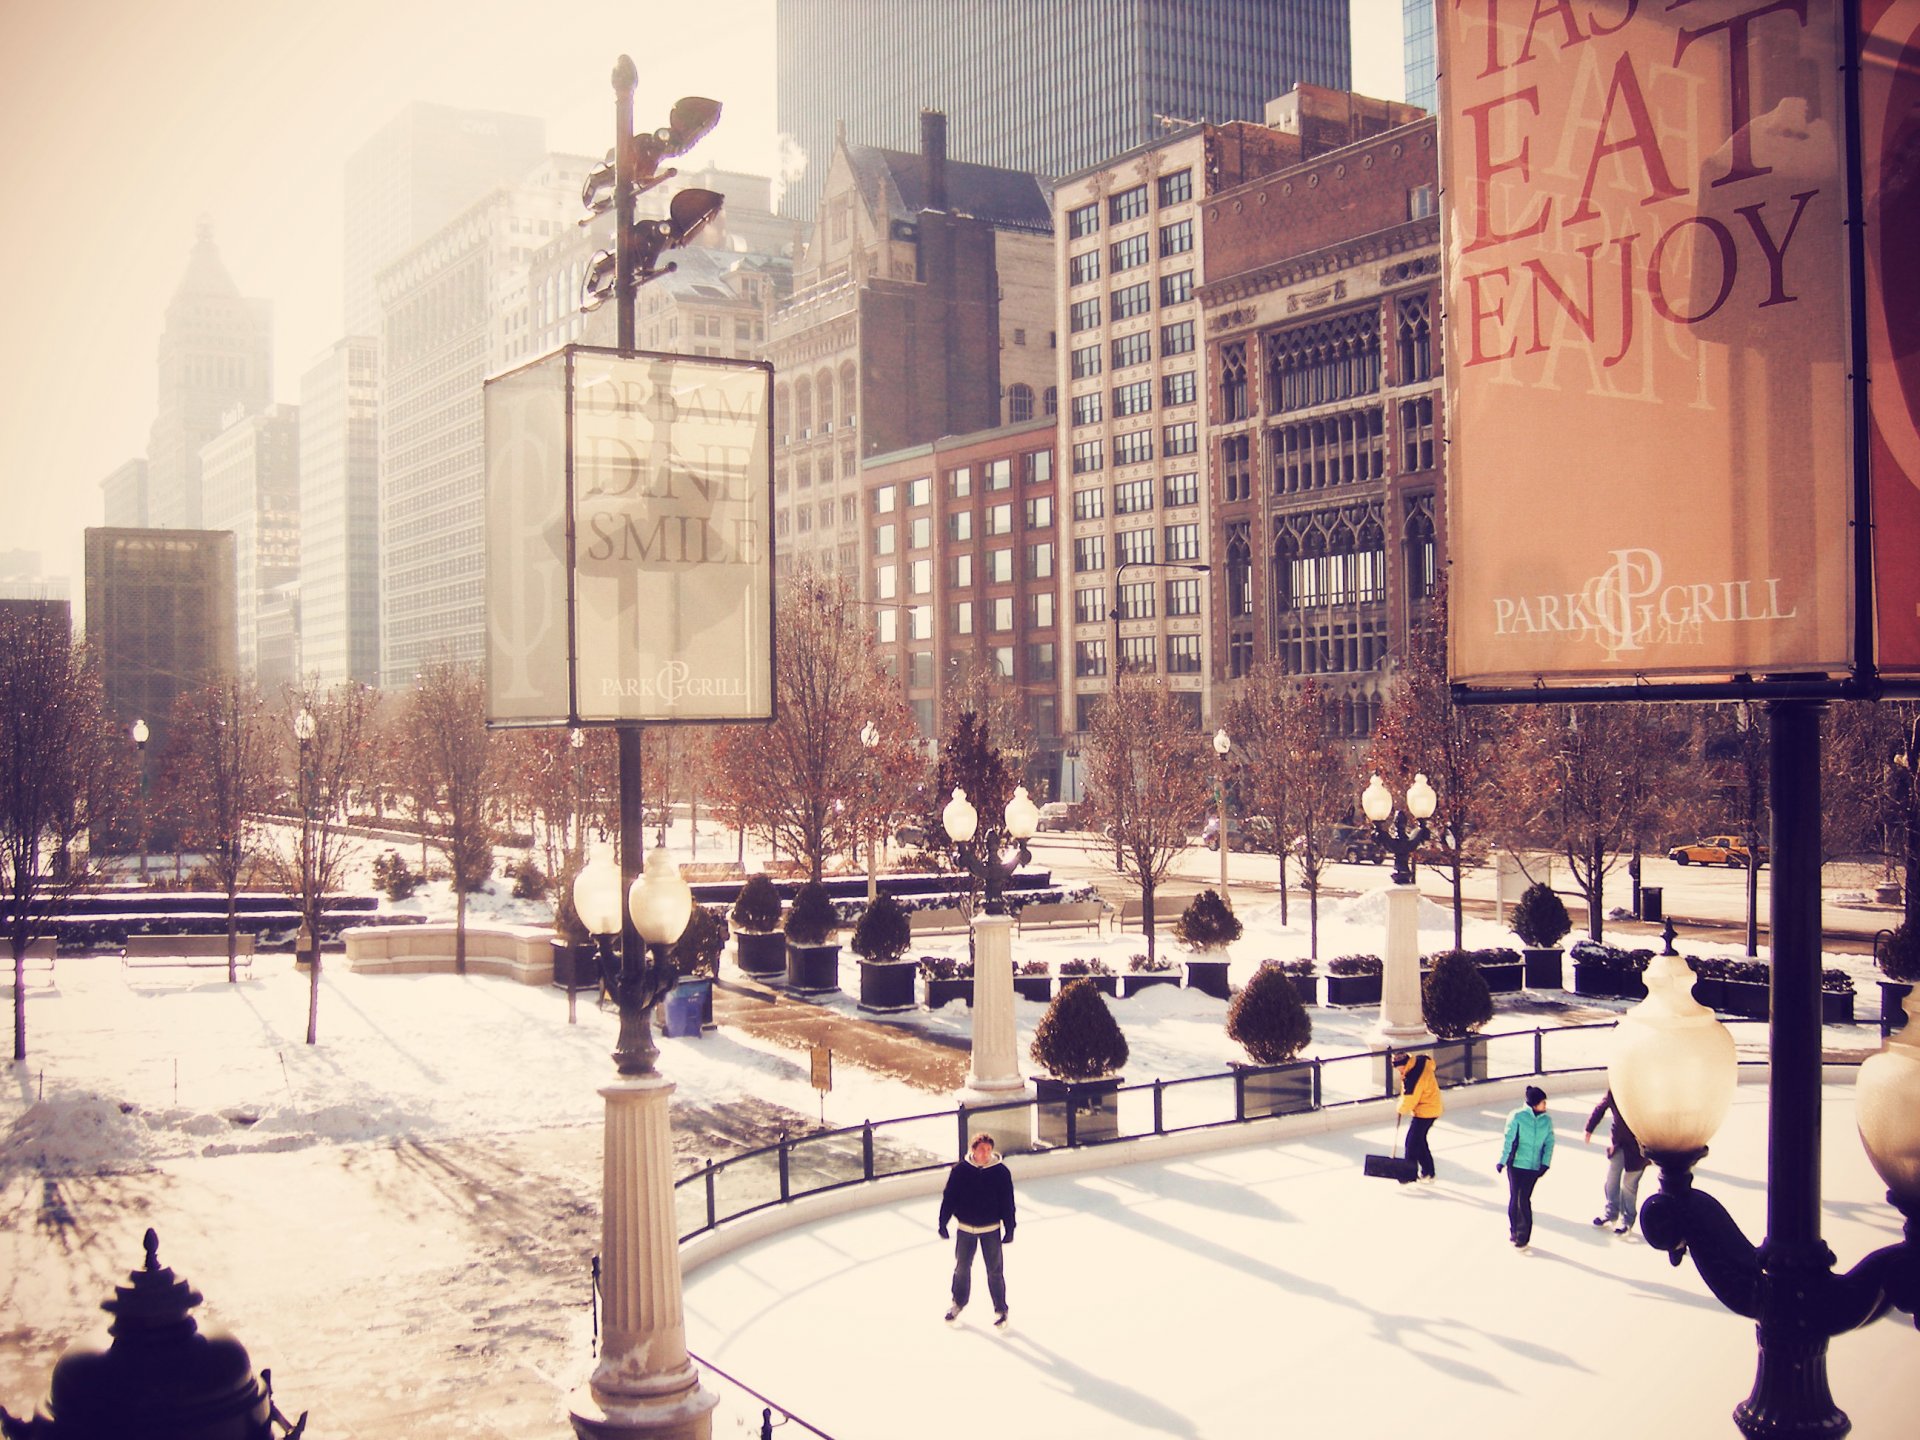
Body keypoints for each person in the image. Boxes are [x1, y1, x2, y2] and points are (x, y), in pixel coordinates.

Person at [937, 1131, 1016, 1327]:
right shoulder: (960, 1171)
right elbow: (950, 1197)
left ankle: (1000, 1309)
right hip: (965, 1229)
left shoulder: (1001, 1172)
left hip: (991, 1229)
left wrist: (1010, 1227)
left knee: (995, 1271)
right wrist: (943, 1222)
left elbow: (1008, 1202)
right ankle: (957, 1303)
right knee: (962, 1268)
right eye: (982, 1150)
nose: (986, 1154)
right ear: (973, 1150)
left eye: (989, 1150)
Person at [1496, 1086, 1556, 1249]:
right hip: (1516, 1165)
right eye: (1543, 1102)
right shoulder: (1517, 1116)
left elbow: (1549, 1143)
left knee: (1524, 1199)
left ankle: (1523, 1234)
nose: (1545, 1105)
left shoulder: (1546, 1121)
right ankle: (1516, 1231)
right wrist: (1502, 1161)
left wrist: (1545, 1163)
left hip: (1533, 1167)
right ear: (1535, 1103)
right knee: (1516, 1197)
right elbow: (1509, 1139)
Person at [1585, 1088, 1648, 1235]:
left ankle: (1628, 1219)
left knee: (1629, 1184)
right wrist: (1589, 1129)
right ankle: (1611, 1211)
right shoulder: (1616, 1088)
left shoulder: (1644, 1093)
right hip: (1619, 1143)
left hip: (1638, 1147)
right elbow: (1601, 1108)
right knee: (1612, 1178)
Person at [1392, 1051, 1443, 1181]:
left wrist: (1400, 1108)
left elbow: (1410, 1100)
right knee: (1419, 1141)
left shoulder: (1413, 1077)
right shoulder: (1419, 1063)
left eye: (1400, 1069)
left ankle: (1408, 1175)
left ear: (1405, 1064)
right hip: (1431, 1107)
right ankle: (1428, 1172)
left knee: (1412, 1142)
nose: (1400, 1072)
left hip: (1426, 1111)